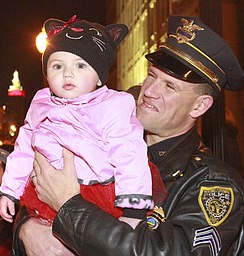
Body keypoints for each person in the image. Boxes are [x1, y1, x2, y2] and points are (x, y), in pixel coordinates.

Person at [19, 15, 244, 255]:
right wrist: (25, 228)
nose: (150, 91)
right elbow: (34, 185)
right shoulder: (100, 138)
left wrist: (68, 207)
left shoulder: (212, 183)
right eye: (152, 76)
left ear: (199, 106)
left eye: (170, 86)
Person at [0, 15, 168, 239]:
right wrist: (10, 190)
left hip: (97, 192)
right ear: (47, 74)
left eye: (80, 65)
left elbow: (129, 154)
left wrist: (133, 207)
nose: (68, 74)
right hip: (44, 190)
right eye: (57, 66)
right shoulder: (41, 102)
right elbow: (23, 149)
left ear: (99, 77)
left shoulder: (112, 105)